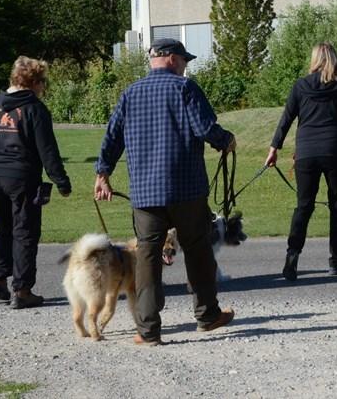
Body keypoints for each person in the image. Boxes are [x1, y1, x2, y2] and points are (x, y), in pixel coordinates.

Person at [94, 38, 236, 345]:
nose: (185, 66)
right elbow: (205, 128)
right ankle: (207, 315)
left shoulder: (130, 93)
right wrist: (226, 140)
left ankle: (148, 330)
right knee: (197, 251)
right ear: (172, 58)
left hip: (146, 192)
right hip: (187, 189)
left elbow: (112, 137)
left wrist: (102, 173)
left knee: (147, 256)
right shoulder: (185, 88)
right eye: (184, 60)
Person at [265, 42, 337, 281]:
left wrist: (274, 149)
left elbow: (286, 119)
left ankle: (292, 255)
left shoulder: (300, 86)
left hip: (306, 153)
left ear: (315, 60)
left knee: (304, 206)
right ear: (334, 60)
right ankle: (336, 261)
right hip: (335, 151)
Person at [0, 56, 71, 309]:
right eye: (43, 82)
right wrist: (61, 181)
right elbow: (47, 150)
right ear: (34, 82)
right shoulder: (34, 109)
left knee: (4, 230)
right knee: (25, 233)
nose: (44, 88)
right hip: (21, 177)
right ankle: (22, 290)